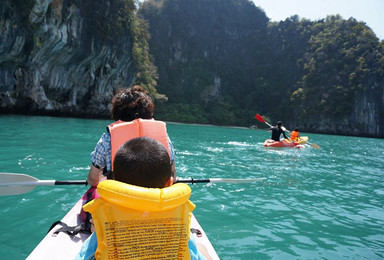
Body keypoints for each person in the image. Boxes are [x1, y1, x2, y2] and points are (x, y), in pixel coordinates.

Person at [75, 137, 207, 260]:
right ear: (170, 182)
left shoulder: (105, 225)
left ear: (115, 182)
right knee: (201, 249)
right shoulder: (180, 222)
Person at [87, 85, 176, 187]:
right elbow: (173, 175)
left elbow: (93, 180)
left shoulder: (108, 139)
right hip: (155, 199)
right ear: (148, 112)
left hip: (121, 198)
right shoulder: (163, 137)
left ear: (117, 112)